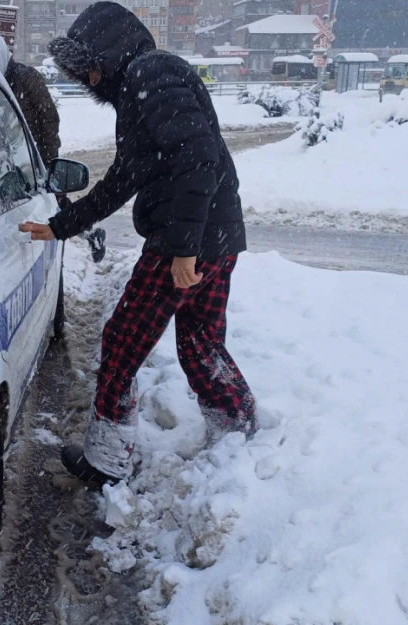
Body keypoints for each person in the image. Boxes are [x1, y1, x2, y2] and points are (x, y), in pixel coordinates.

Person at [18, 2, 256, 483]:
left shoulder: (154, 75)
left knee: (122, 343)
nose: (88, 79)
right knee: (200, 342)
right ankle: (238, 430)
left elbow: (197, 160)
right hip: (214, 234)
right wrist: (62, 225)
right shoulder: (140, 87)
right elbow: (122, 179)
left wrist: (186, 249)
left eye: (89, 67)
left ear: (109, 52)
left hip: (183, 242)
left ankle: (108, 460)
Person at [0, 33, 106, 263]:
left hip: (39, 156)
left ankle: (90, 233)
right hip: (18, 157)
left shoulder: (27, 77)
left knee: (58, 202)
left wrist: (47, 158)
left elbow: (49, 118)